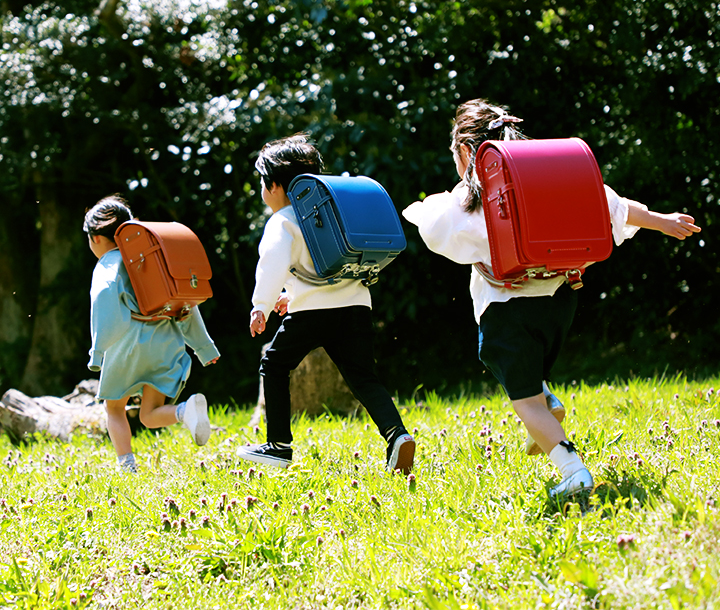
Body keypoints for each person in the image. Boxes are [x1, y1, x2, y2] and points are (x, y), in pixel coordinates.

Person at [403, 99, 701, 499]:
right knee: (527, 376)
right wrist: (661, 221)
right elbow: (609, 203)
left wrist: (427, 206)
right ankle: (545, 397)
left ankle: (572, 469)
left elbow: (439, 232)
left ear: (464, 152)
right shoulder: (542, 178)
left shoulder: (472, 198)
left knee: (521, 400)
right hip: (561, 300)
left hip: (508, 312)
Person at [238, 134, 415, 474]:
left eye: (263, 185)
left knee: (274, 366)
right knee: (364, 377)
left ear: (274, 185)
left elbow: (273, 262)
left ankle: (278, 445)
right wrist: (293, 295)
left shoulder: (283, 220)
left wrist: (261, 304)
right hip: (355, 308)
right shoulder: (332, 210)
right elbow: (329, 267)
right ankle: (397, 436)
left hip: (312, 314)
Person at [84, 195, 220, 473]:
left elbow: (104, 300)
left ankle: (127, 466)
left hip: (127, 344)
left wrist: (98, 351)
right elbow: (185, 302)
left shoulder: (108, 264)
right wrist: (204, 348)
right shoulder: (151, 256)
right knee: (149, 415)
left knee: (114, 409)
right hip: (165, 340)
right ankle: (185, 412)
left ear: (96, 238)